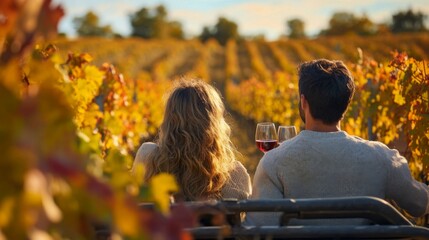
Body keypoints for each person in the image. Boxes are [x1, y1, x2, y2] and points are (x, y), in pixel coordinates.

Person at [246, 59, 429, 226]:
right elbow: (421, 204)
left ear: (303, 102)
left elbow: (261, 227)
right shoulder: (383, 158)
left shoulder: (273, 162)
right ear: (347, 103)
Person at [132, 78, 251, 202]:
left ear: (168, 122)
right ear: (215, 125)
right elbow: (236, 220)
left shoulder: (147, 157)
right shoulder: (235, 176)